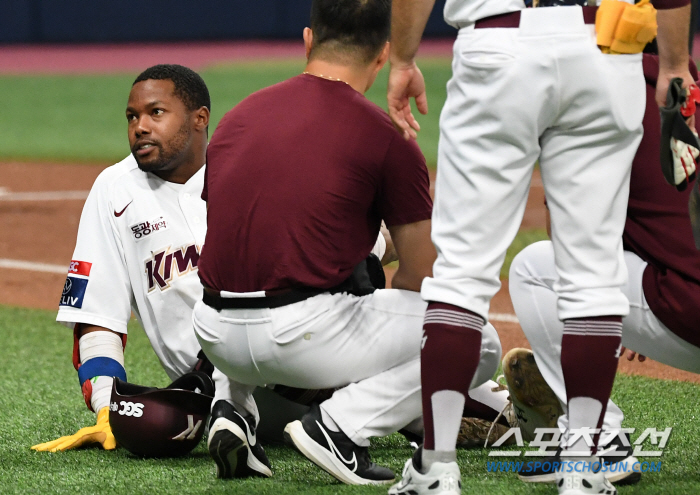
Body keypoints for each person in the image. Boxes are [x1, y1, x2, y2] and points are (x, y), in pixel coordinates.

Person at [192, 0, 505, 486]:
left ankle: (232, 409)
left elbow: (245, 234)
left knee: (267, 271)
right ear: (383, 56)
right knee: (474, 337)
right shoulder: (387, 136)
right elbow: (421, 276)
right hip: (300, 338)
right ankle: (341, 427)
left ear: (308, 41)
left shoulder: (238, 117)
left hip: (213, 335)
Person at [387, 0, 695, 494]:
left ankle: (436, 470)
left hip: (498, 43)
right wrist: (677, 63)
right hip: (605, 44)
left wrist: (402, 58)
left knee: (462, 273)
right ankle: (583, 468)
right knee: (592, 277)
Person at [507, 52, 700, 484]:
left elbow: (573, 233)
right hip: (677, 293)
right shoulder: (686, 86)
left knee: (534, 269)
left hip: (688, 313)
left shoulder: (606, 91)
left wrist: (611, 312)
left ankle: (597, 438)